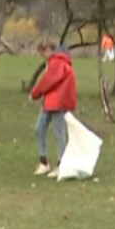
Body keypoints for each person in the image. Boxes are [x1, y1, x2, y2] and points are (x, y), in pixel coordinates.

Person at [30, 42, 77, 177]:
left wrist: (35, 93)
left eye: (43, 52)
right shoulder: (55, 62)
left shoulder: (57, 62)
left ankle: (61, 165)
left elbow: (49, 80)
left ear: (49, 50)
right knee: (39, 129)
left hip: (58, 103)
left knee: (58, 134)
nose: (42, 56)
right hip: (50, 102)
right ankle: (44, 162)